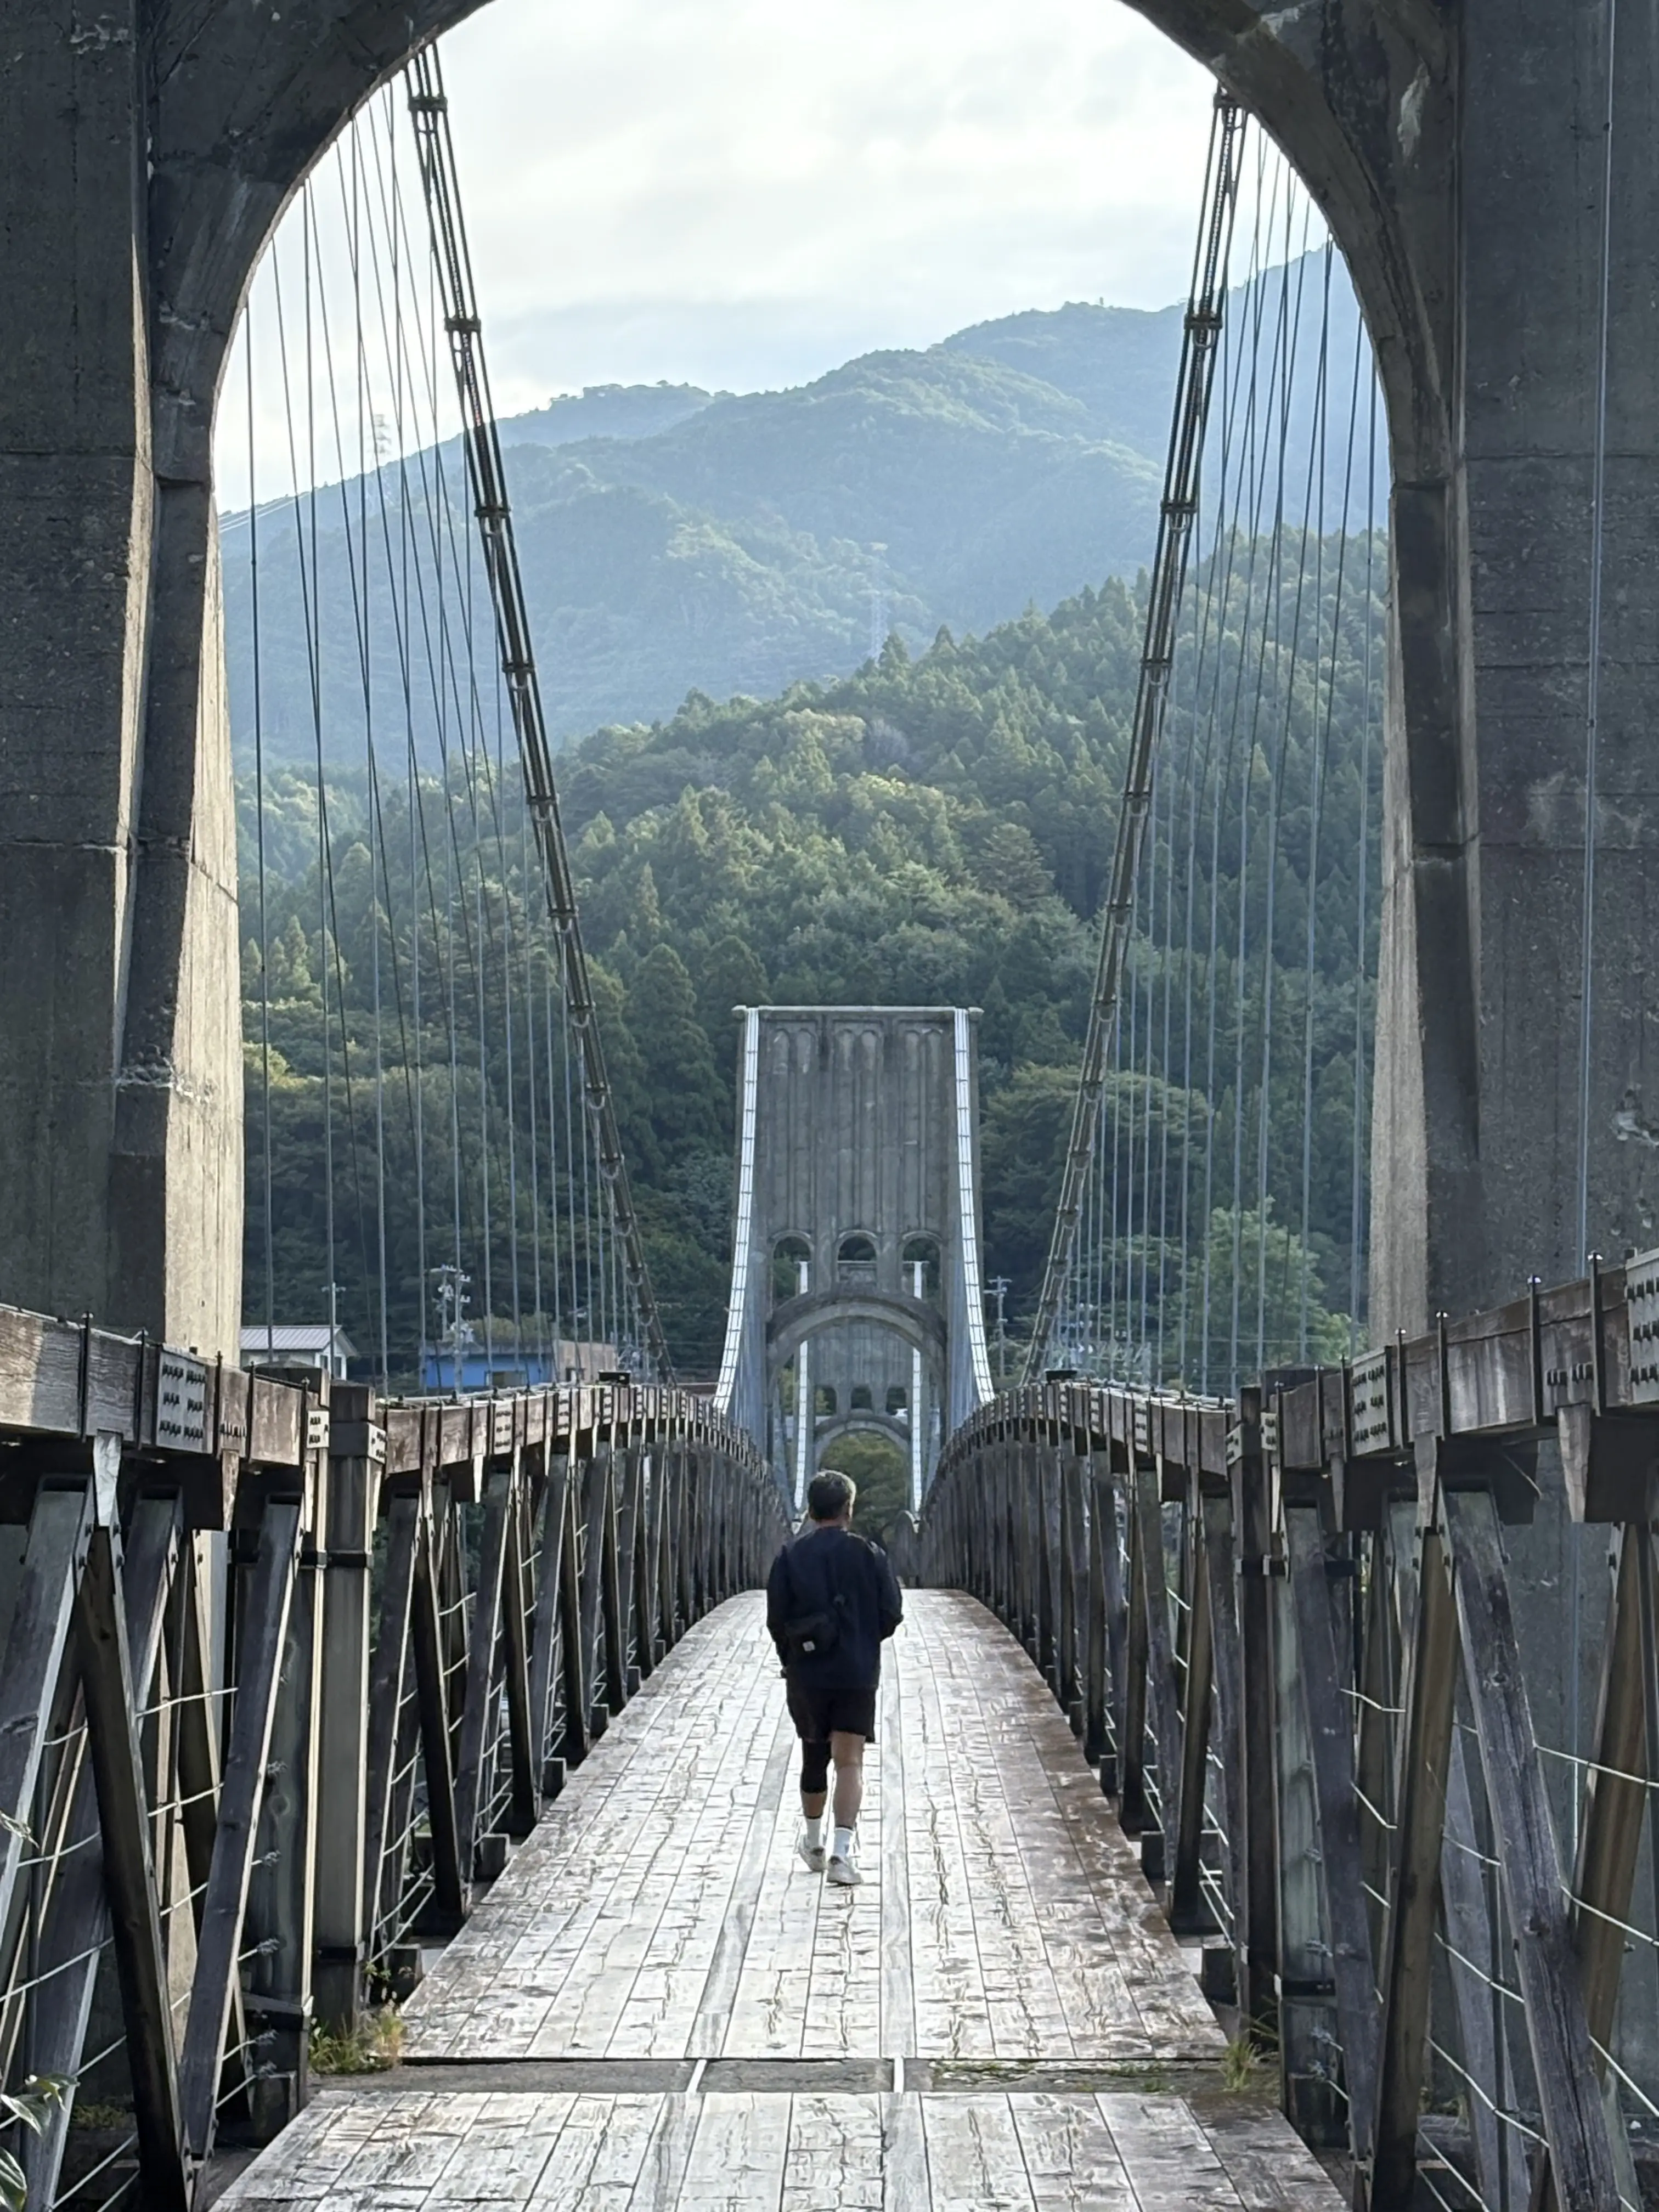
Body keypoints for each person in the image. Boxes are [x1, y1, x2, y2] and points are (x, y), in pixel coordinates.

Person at [766, 1468, 903, 1888]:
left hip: (808, 1673)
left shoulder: (790, 1556)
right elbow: (891, 1613)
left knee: (813, 1755)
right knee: (850, 1761)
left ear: (809, 1510)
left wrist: (794, 1655)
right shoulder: (870, 1553)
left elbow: (776, 1619)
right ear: (849, 1508)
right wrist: (861, 1640)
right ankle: (842, 1855)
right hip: (857, 1672)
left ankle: (813, 1844)